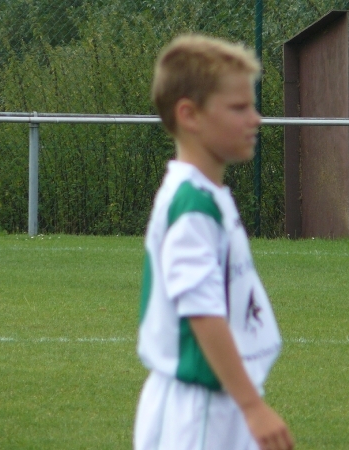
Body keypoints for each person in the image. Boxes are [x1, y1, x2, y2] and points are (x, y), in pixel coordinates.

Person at [134, 34, 294, 450]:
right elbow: (202, 311)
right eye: (240, 108)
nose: (255, 118)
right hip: (200, 405)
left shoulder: (207, 195)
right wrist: (253, 406)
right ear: (190, 115)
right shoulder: (191, 205)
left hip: (218, 398)